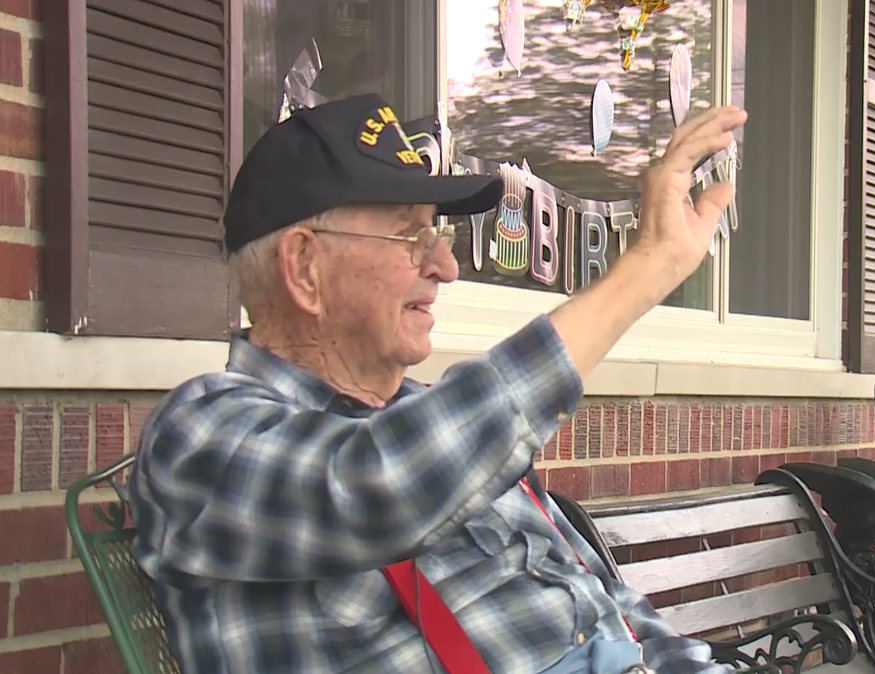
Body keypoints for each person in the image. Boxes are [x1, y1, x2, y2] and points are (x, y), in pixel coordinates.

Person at [127, 91, 747, 674]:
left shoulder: (435, 421)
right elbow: (381, 486)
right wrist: (646, 268)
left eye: (439, 234)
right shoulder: (198, 435)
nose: (446, 266)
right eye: (412, 235)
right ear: (304, 268)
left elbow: (602, 599)